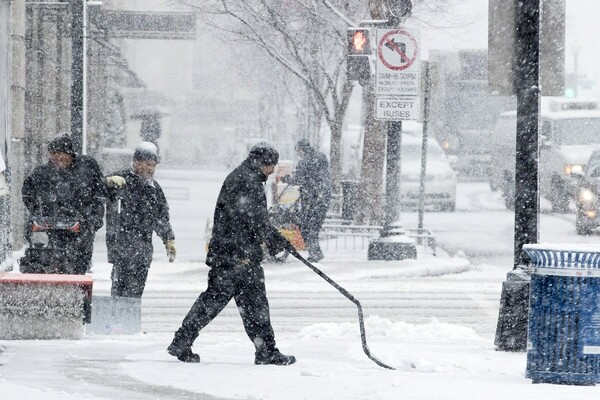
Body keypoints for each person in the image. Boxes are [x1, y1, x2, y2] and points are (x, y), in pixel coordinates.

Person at [167, 142, 296, 365]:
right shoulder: (248, 181)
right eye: (271, 166)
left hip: (233, 254)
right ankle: (264, 350)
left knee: (245, 304)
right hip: (237, 255)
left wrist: (274, 241)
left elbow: (251, 219)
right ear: (261, 163)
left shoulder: (243, 176)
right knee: (233, 303)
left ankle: (264, 350)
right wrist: (277, 242)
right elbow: (256, 220)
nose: (272, 171)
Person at [21, 133, 106, 274]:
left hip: (82, 228)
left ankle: (77, 290)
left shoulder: (88, 167)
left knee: (79, 266)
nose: (56, 157)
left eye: (59, 153)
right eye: (52, 154)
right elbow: (27, 192)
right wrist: (37, 212)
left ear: (70, 153)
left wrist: (94, 219)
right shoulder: (42, 173)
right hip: (53, 228)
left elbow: (100, 193)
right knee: (51, 263)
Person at [105, 142, 176, 298]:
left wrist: (169, 239)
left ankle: (129, 321)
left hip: (142, 254)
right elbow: (94, 192)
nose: (150, 169)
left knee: (134, 298)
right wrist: (107, 183)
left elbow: (161, 218)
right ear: (136, 162)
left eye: (153, 165)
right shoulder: (120, 181)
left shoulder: (154, 190)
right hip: (121, 251)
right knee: (118, 296)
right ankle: (118, 321)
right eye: (147, 164)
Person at [283, 138, 331, 262]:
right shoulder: (321, 157)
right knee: (313, 226)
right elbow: (322, 176)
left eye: (298, 150)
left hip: (311, 199)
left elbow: (298, 179)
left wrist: (287, 179)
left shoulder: (304, 162)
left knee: (307, 227)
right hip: (323, 197)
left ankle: (315, 253)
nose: (298, 153)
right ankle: (316, 253)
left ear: (301, 149)